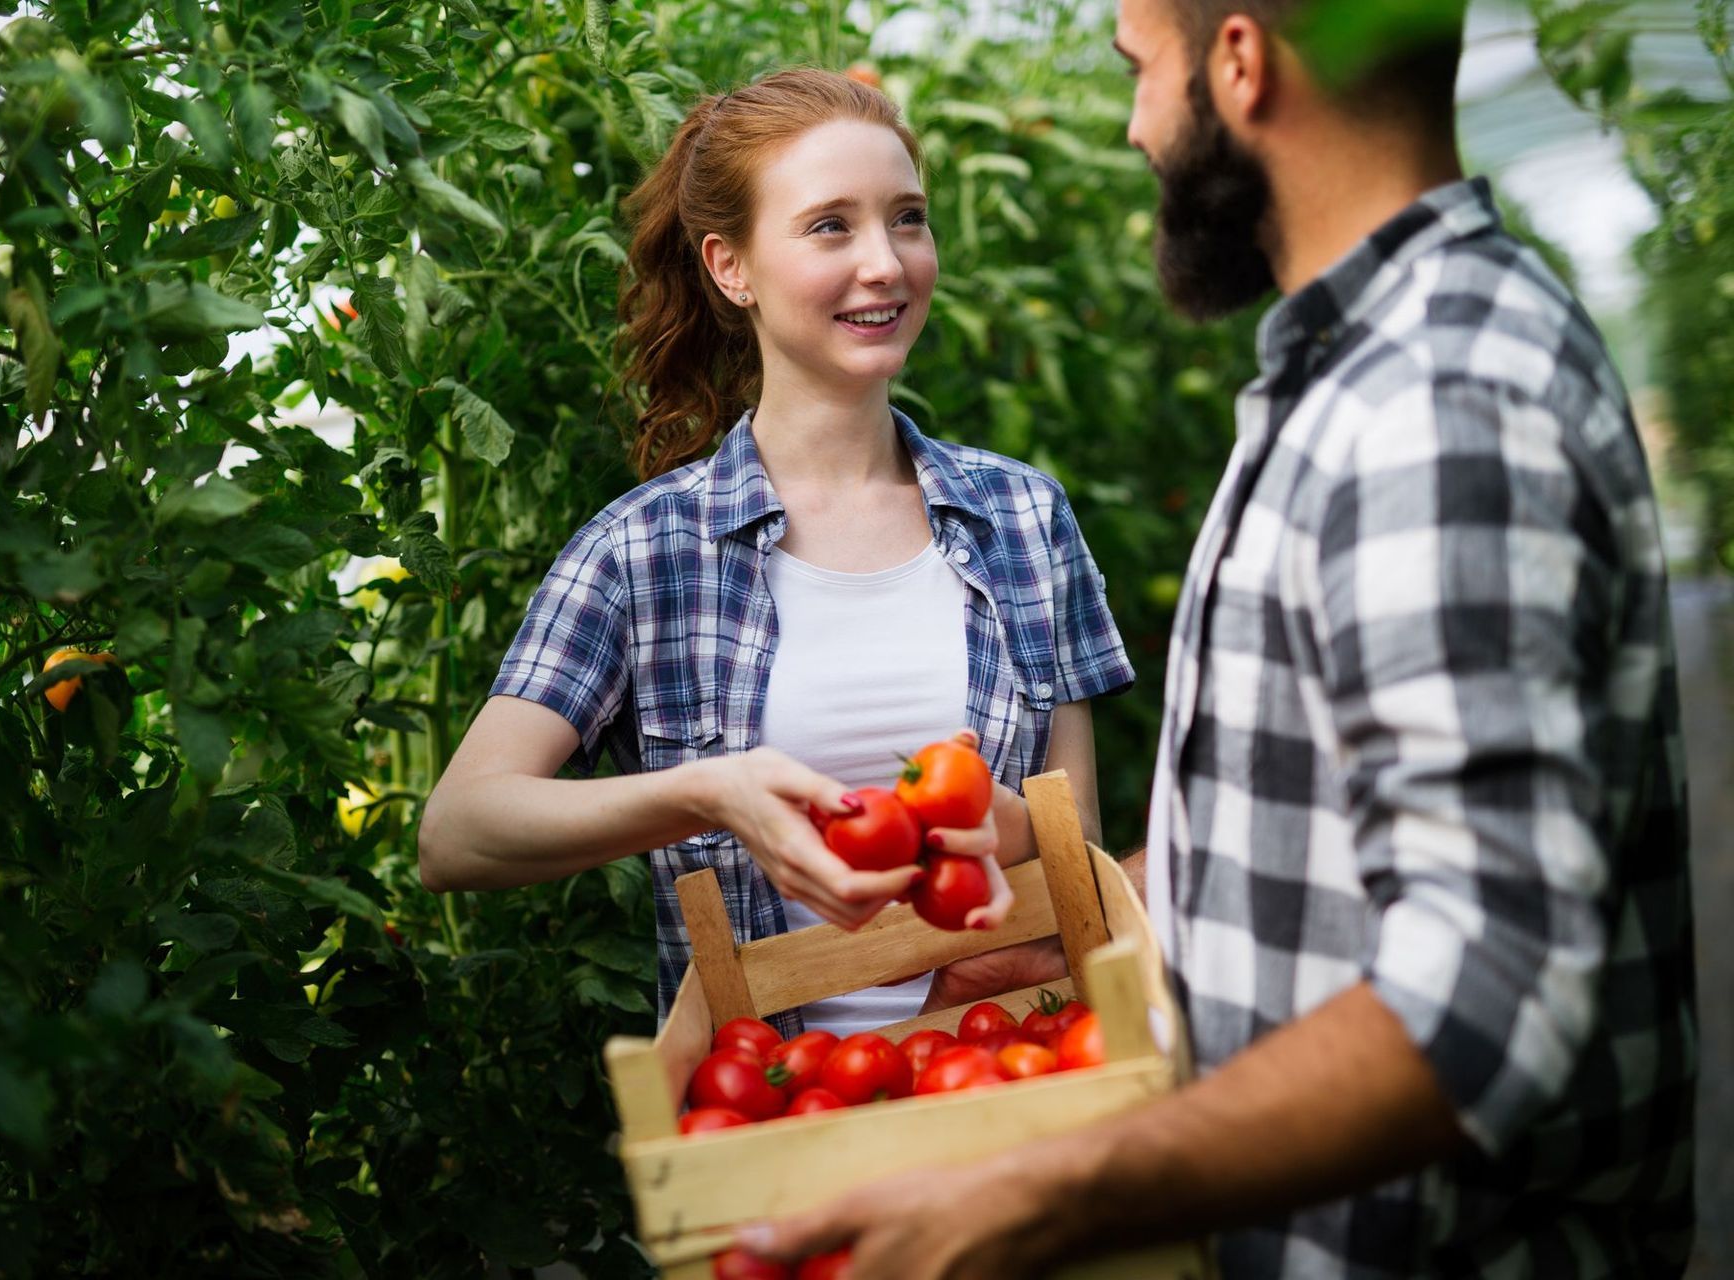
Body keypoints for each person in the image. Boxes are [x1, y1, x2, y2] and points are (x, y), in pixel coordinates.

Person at [738, 1, 1696, 1275]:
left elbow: (1483, 988)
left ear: (1238, 63)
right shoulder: (1353, 372)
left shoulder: (1437, 402)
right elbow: (1321, 831)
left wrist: (1047, 1190)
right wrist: (1095, 927)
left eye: (1143, 74)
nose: (1136, 129)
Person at [416, 68, 1133, 1040]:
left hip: (999, 1075)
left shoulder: (1024, 518)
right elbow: (459, 830)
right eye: (830, 226)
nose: (885, 261)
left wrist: (1012, 828)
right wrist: (709, 790)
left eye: (907, 218)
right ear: (731, 267)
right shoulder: (643, 551)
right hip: (765, 1103)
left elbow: (1078, 853)